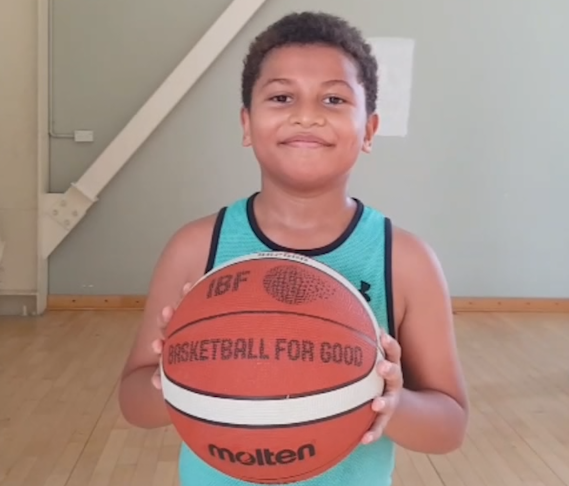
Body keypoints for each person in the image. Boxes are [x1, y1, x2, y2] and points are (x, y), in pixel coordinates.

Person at [116, 11, 469, 485]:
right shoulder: (196, 248)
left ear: (368, 130)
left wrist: (389, 400)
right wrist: (176, 374)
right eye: (282, 97)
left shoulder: (405, 260)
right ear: (246, 123)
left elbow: (450, 427)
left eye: (334, 98)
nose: (307, 114)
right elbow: (134, 402)